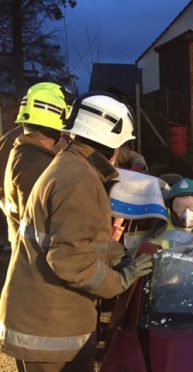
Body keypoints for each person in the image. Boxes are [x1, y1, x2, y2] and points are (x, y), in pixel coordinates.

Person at [0, 91, 153, 371]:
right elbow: (71, 260)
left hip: (45, 319)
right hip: (50, 331)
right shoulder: (79, 179)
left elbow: (88, 238)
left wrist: (120, 258)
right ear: (113, 146)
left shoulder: (71, 166)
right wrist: (120, 280)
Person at [4, 82, 69, 248]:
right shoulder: (35, 164)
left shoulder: (24, 151)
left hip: (24, 251)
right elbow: (44, 230)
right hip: (38, 263)